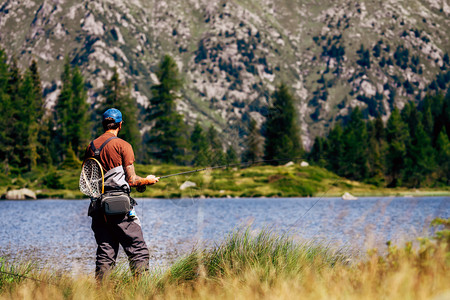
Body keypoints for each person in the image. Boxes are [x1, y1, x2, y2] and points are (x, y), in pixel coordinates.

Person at [84, 108, 159, 280]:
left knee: (106, 252)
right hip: (118, 207)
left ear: (104, 124)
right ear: (120, 124)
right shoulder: (123, 145)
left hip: (98, 207)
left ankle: (101, 294)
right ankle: (142, 291)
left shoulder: (91, 146)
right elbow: (132, 180)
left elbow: (88, 177)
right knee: (138, 249)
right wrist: (147, 180)